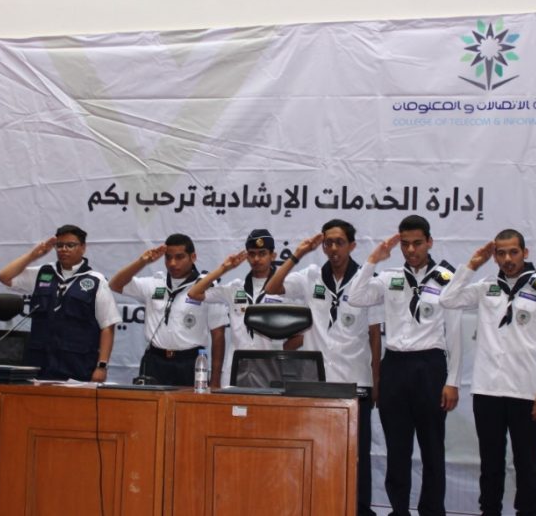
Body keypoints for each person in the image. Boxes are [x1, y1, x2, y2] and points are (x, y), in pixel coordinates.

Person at [345, 215, 462, 516]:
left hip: (430, 366)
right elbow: (355, 296)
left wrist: (453, 380)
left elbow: (455, 334)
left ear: (429, 242)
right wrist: (373, 259)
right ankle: (399, 510)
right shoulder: (389, 277)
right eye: (405, 244)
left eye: (417, 243)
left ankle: (432, 511)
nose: (411, 250)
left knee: (432, 448)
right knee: (397, 449)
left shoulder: (447, 278)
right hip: (395, 367)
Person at [438, 228, 536, 516]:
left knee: (526, 462)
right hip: (487, 389)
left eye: (513, 252)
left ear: (525, 253)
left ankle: (527, 512)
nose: (507, 259)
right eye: (501, 253)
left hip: (524, 390)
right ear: (494, 256)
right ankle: (489, 511)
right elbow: (447, 299)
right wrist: (471, 266)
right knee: (490, 462)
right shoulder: (486, 286)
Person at [265, 219, 382, 516]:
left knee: (357, 455)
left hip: (355, 380)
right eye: (328, 243)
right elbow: (272, 287)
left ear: (351, 246)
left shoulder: (367, 281)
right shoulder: (311, 276)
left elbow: (374, 335)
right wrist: (298, 255)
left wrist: (376, 382)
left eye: (339, 242)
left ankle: (359, 509)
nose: (333, 248)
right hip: (316, 382)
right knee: (317, 450)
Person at [0, 225, 119, 382]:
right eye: (59, 245)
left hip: (77, 364)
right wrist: (33, 255)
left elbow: (107, 326)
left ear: (83, 248)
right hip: (39, 363)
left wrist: (101, 366)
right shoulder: (44, 273)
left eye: (70, 245)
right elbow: (4, 277)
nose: (64, 249)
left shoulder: (96, 280)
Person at [109, 233, 226, 387]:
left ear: (193, 257)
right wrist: (142, 262)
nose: (172, 263)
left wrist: (215, 380)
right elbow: (115, 284)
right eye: (168, 257)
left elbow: (218, 335)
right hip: (155, 361)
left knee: (188, 404)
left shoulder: (207, 287)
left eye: (179, 257)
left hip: (190, 363)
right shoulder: (155, 283)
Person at [187, 229, 284, 387]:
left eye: (262, 253)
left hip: (269, 367)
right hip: (236, 367)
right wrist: (224, 268)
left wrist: (277, 352)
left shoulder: (284, 289)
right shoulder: (235, 288)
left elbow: (298, 336)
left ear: (273, 256)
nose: (256, 259)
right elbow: (194, 293)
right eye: (252, 254)